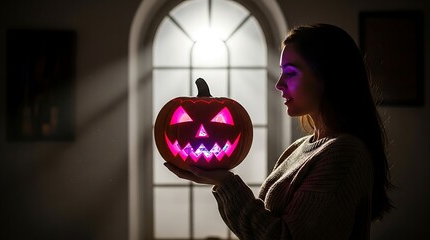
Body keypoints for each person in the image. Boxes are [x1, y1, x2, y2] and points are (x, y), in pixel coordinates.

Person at [164, 23, 394, 239]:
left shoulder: (345, 153)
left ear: (327, 77)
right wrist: (220, 182)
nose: (279, 84)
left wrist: (226, 183)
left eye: (291, 73)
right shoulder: (299, 148)